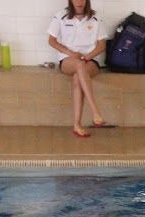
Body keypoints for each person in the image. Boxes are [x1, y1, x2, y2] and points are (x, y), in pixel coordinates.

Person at [47, 0, 110, 139]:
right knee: (79, 66)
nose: (79, 2)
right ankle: (95, 112)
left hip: (90, 60)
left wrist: (88, 57)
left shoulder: (96, 17)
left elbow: (101, 45)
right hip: (68, 60)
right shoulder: (61, 16)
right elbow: (51, 40)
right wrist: (71, 54)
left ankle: (77, 125)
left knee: (78, 77)